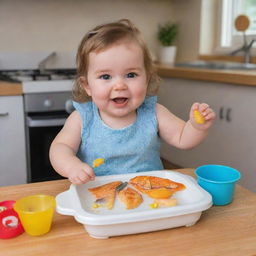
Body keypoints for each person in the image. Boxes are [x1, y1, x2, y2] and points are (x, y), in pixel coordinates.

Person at [49, 19, 216, 185]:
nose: (120, 85)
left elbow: (182, 138)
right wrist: (72, 166)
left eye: (131, 75)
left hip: (149, 196)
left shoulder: (154, 112)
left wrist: (196, 127)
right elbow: (60, 148)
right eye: (106, 76)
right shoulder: (82, 118)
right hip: (97, 197)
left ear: (146, 78)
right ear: (87, 86)